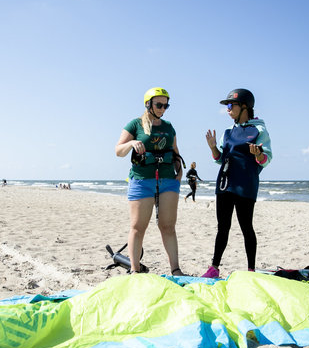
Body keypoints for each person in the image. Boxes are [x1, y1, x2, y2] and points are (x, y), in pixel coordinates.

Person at [201, 88, 272, 278]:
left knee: (246, 227)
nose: (228, 109)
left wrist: (259, 154)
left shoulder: (258, 130)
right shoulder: (228, 132)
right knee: (222, 227)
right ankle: (214, 268)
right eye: (227, 106)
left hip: (245, 185)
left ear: (244, 107)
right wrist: (213, 147)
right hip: (224, 184)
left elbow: (267, 158)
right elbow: (220, 158)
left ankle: (251, 270)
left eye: (231, 105)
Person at [115, 87, 185, 275]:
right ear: (148, 104)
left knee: (168, 226)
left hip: (168, 181)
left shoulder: (168, 127)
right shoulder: (135, 125)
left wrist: (179, 173)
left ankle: (176, 269)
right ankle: (135, 270)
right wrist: (130, 143)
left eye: (166, 105)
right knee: (138, 227)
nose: (163, 108)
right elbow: (118, 151)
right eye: (159, 104)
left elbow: (175, 151)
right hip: (141, 181)